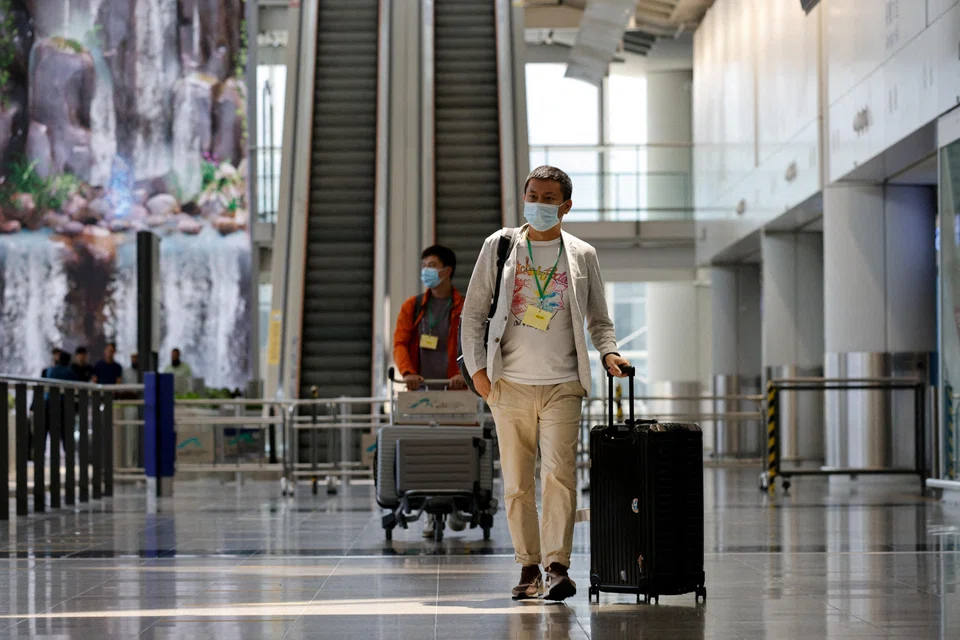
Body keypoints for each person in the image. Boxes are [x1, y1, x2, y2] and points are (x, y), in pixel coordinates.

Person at [460, 165, 631, 602]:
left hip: (562, 386)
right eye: (532, 195)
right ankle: (528, 566)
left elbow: (599, 319)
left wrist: (609, 352)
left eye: (549, 198)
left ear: (566, 206)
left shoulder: (582, 254)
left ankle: (557, 566)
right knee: (517, 482)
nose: (538, 204)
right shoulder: (499, 246)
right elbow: (474, 313)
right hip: (508, 384)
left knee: (559, 476)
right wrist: (480, 374)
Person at [393, 245, 466, 392]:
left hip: (455, 390)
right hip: (420, 389)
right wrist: (407, 372)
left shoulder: (465, 308)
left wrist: (464, 374)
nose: (426, 271)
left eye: (432, 266)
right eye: (424, 266)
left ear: (447, 271)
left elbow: (476, 346)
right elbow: (400, 343)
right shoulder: (412, 306)